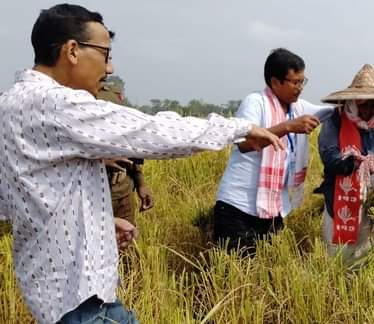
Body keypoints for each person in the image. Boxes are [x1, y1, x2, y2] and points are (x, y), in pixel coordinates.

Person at [0, 4, 281, 324]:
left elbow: (20, 198)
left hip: (54, 292)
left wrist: (98, 224)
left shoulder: (9, 103)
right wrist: (238, 129)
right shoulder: (56, 103)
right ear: (73, 50)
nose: (109, 68)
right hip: (80, 301)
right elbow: (151, 132)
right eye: (105, 54)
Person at [213, 48, 332, 255]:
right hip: (238, 207)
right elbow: (245, 143)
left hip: (273, 209)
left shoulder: (297, 107)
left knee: (267, 269)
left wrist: (355, 102)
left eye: (303, 81)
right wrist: (288, 127)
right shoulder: (255, 102)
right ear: (275, 82)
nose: (300, 88)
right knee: (235, 274)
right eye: (295, 82)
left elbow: (330, 112)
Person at [316, 64, 374, 265]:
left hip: (371, 206)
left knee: (367, 257)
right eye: (364, 104)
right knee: (340, 258)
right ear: (353, 102)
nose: (368, 110)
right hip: (340, 204)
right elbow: (331, 160)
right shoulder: (335, 123)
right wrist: (363, 162)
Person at [98, 80, 154, 225]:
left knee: (126, 239)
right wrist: (103, 162)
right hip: (96, 196)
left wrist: (141, 185)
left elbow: (133, 159)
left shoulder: (123, 123)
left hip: (124, 191)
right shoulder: (87, 122)